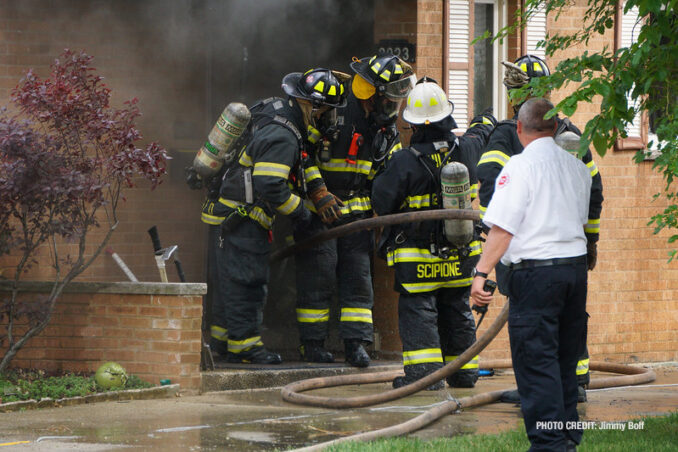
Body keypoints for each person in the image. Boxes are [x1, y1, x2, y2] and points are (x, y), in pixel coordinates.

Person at [477, 54, 603, 402]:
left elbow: (489, 181)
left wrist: (497, 234)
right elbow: (594, 189)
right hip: (572, 256)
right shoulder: (572, 135)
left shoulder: (508, 133)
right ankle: (573, 387)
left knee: (533, 329)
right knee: (568, 321)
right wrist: (590, 240)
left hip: (529, 258)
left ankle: (536, 396)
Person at [471, 97, 591, 451]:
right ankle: (567, 436)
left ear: (519, 129)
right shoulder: (577, 168)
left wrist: (481, 272)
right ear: (555, 128)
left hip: (536, 276)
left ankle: (550, 444)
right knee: (565, 359)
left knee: (537, 361)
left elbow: (502, 229)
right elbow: (581, 219)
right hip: (574, 271)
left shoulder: (519, 168)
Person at [214, 68, 350, 364]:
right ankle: (244, 347)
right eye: (327, 110)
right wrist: (303, 213)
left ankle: (222, 343)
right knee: (248, 282)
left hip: (232, 216)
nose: (330, 118)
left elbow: (302, 161)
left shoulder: (281, 115)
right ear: (311, 105)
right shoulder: (285, 134)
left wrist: (318, 191)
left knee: (233, 282)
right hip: (243, 219)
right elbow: (270, 183)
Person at [371, 77, 495, 389]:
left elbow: (381, 203)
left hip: (418, 260)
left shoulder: (403, 161)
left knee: (419, 314)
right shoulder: (465, 151)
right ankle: (464, 373)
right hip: (459, 256)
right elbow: (480, 135)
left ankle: (424, 377)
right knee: (456, 312)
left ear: (414, 125)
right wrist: (485, 119)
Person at [293, 54, 415, 367]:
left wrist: (383, 210)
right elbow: (301, 151)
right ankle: (313, 343)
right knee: (318, 275)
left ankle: (356, 344)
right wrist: (318, 192)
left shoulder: (386, 130)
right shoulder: (333, 109)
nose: (393, 108)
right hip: (319, 211)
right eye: (389, 101)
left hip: (358, 216)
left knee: (358, 279)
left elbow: (392, 172)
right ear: (370, 94)